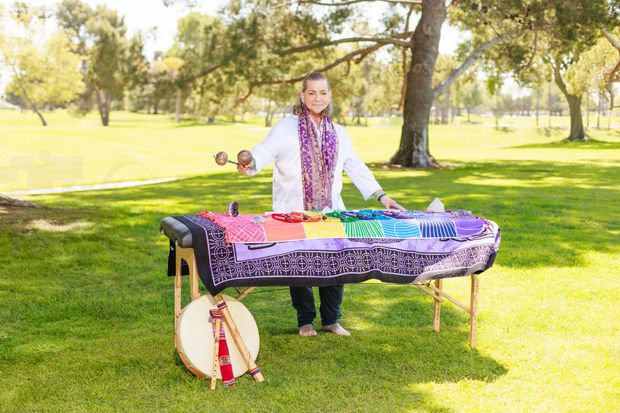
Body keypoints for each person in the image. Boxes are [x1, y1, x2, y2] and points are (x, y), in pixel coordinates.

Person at [238, 72, 405, 337]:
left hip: (331, 212)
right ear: (302, 96)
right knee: (301, 265)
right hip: (293, 213)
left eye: (323, 93)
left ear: (330, 96)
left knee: (335, 263)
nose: (318, 98)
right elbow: (264, 151)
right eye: (312, 93)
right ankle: (305, 321)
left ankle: (331, 319)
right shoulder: (285, 127)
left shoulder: (339, 133)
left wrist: (382, 196)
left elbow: (355, 166)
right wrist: (250, 162)